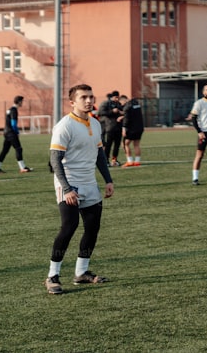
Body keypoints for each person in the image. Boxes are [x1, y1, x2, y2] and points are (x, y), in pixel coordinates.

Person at [45, 84, 115, 294]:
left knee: (92, 227)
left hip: (89, 183)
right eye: (83, 97)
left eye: (91, 97)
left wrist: (108, 180)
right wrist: (66, 189)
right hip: (69, 183)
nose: (88, 100)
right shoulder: (64, 125)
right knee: (69, 226)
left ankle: (81, 273)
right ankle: (52, 276)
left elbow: (100, 154)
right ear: (72, 102)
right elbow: (55, 159)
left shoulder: (95, 123)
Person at [0, 95, 32, 174]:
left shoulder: (9, 109)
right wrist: (17, 132)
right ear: (19, 102)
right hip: (11, 133)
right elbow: (13, 123)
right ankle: (22, 167)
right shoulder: (14, 110)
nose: (22, 103)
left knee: (5, 150)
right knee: (18, 149)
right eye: (22, 101)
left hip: (6, 132)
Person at [98, 91, 124, 167]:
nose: (117, 99)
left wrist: (121, 113)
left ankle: (114, 159)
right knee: (108, 145)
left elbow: (123, 112)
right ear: (112, 97)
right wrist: (112, 111)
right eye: (116, 97)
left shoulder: (118, 104)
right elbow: (100, 112)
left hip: (118, 127)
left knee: (117, 145)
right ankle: (106, 160)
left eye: (118, 97)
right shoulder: (106, 103)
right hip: (109, 127)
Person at [120, 95, 145, 167]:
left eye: (121, 102)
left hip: (131, 129)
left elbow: (127, 119)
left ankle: (130, 161)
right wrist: (123, 116)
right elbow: (133, 115)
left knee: (125, 144)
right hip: (139, 127)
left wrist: (123, 128)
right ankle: (137, 161)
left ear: (123, 100)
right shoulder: (136, 104)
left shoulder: (127, 106)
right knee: (136, 145)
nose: (121, 104)